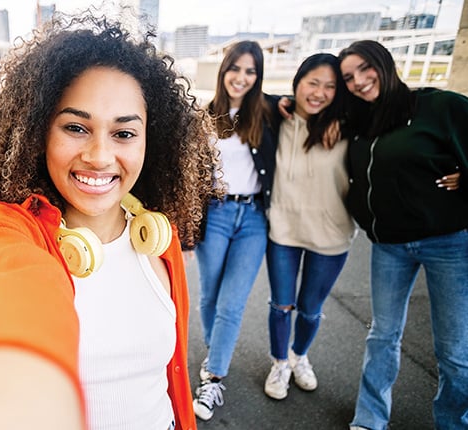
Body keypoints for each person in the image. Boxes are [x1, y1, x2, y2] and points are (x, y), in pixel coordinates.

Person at [0, 10, 220, 430]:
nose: (99, 156)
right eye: (76, 127)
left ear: (153, 139)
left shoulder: (158, 236)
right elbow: (12, 305)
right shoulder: (8, 232)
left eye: (124, 133)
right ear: (38, 131)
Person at [338, 40, 468, 430]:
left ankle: (454, 422)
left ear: (384, 64)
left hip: (448, 243)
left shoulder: (438, 106)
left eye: (365, 69)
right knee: (382, 337)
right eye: (349, 77)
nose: (359, 81)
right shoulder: (361, 120)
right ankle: (370, 419)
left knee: (454, 352)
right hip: (389, 246)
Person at [192, 40, 278, 421]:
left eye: (251, 71)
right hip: (215, 212)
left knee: (231, 302)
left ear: (258, 77)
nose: (241, 78)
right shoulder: (203, 117)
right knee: (210, 296)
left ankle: (213, 376)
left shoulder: (269, 112)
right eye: (236, 68)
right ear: (224, 69)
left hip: (253, 217)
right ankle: (217, 350)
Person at [262, 53, 356, 400]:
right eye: (312, 82)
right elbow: (248, 96)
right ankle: (279, 363)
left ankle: (299, 356)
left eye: (330, 86)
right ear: (297, 82)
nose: (319, 92)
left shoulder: (346, 127)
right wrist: (278, 102)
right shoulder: (277, 120)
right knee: (280, 305)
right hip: (283, 233)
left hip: (330, 236)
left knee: (311, 309)